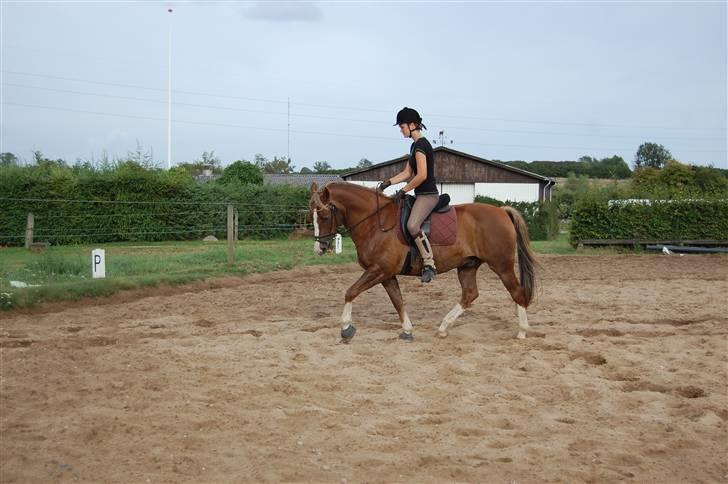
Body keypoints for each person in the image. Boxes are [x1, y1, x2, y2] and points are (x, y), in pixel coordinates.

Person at [378, 107, 438, 283]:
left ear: (412, 125)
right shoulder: (414, 146)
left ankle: (429, 263)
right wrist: (387, 183)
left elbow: (422, 175)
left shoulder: (422, 145)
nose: (400, 130)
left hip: (428, 195)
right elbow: (407, 173)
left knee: (412, 225)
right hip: (420, 194)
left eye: (402, 126)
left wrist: (403, 191)